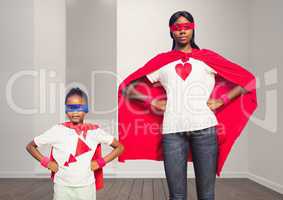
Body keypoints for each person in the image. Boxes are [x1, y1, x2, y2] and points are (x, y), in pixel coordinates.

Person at [118, 11, 257, 200]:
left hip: (206, 130)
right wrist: (152, 101)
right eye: (177, 28)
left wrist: (222, 100)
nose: (182, 31)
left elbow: (248, 81)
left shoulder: (207, 58)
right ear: (171, 31)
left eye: (186, 27)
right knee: (177, 196)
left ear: (193, 29)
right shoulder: (162, 62)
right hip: (172, 132)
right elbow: (127, 88)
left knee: (207, 195)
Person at [26, 87, 124, 200]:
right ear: (66, 110)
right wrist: (47, 163)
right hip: (62, 186)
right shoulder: (57, 130)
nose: (75, 112)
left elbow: (120, 147)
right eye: (71, 108)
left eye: (80, 107)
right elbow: (30, 146)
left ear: (86, 109)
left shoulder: (94, 131)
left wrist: (100, 162)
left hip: (86, 186)